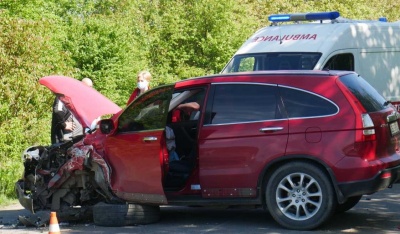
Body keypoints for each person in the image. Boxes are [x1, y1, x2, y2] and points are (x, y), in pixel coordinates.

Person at [50, 78, 92, 144]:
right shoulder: (65, 94)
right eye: (88, 86)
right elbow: (57, 110)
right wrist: (64, 124)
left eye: (91, 87)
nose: (89, 89)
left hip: (76, 137)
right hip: (63, 137)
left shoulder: (82, 98)